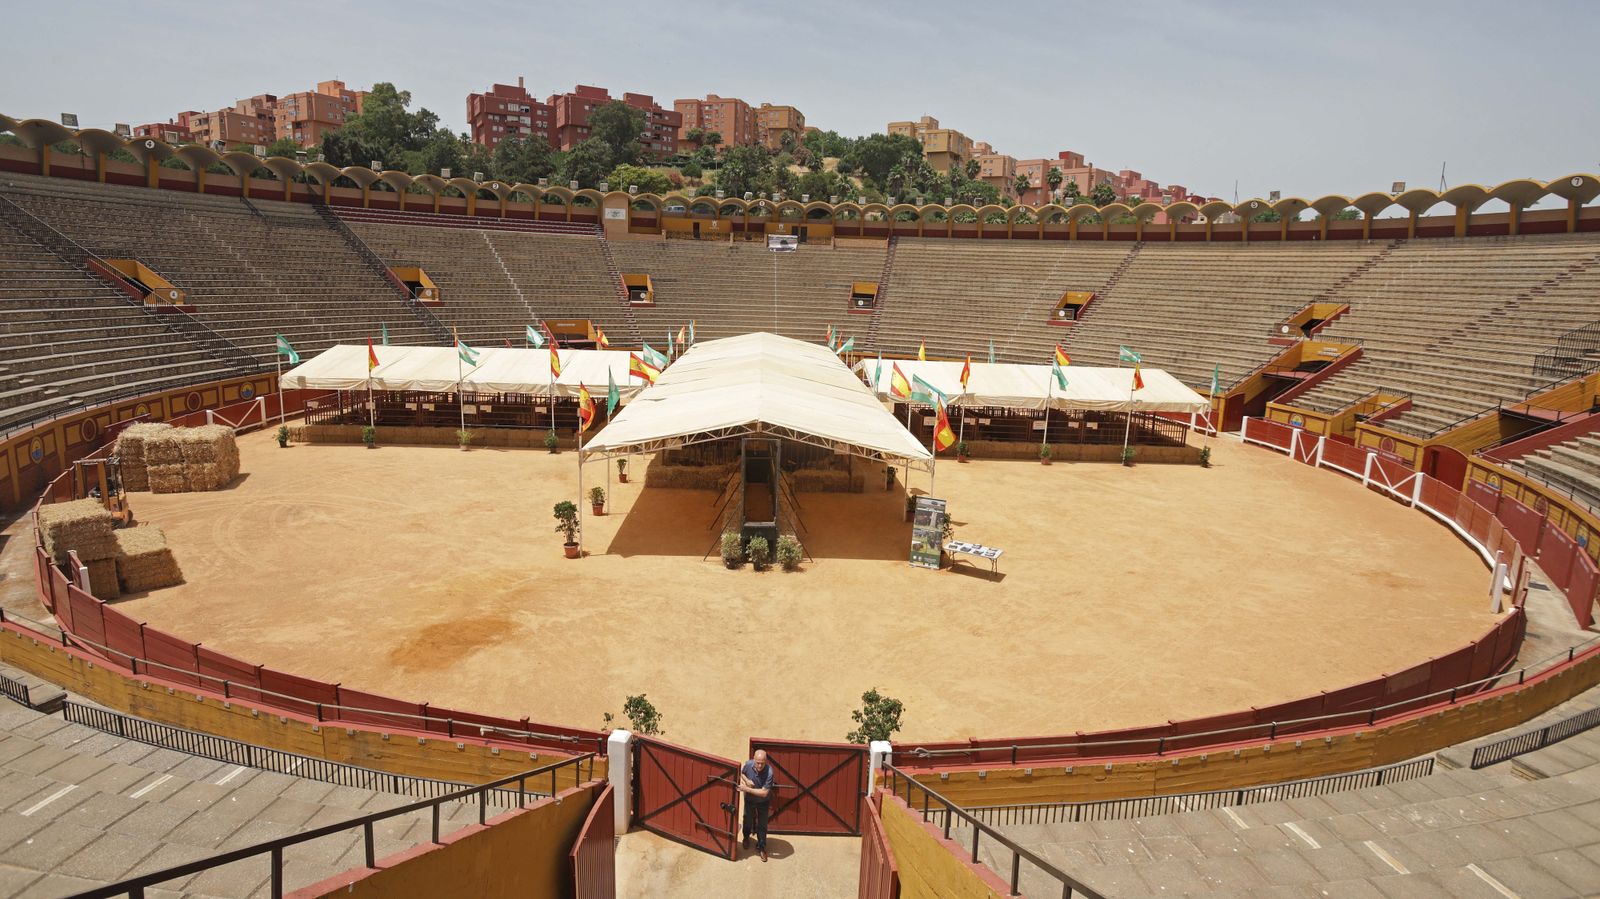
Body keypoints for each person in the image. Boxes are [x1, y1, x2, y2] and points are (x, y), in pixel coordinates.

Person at [738, 749, 776, 861]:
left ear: (766, 761)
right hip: (749, 800)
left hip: (763, 802)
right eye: (757, 762)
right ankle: (746, 837)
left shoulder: (770, 772)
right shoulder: (748, 764)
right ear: (753, 760)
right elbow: (742, 773)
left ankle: (761, 846)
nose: (759, 765)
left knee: (762, 824)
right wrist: (746, 780)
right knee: (747, 819)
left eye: (762, 763)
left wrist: (746, 789)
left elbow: (764, 793)